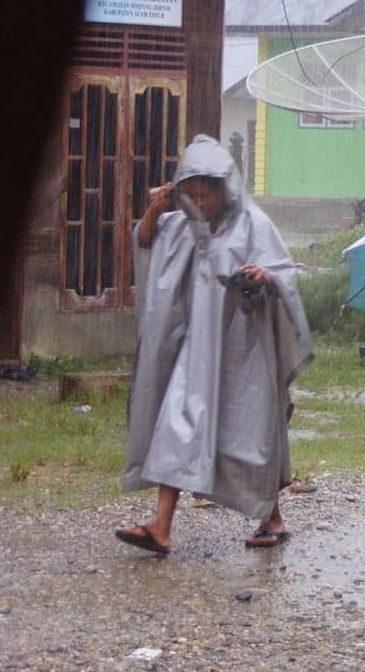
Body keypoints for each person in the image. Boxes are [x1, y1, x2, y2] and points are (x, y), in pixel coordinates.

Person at [115, 134, 314, 554]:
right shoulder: (183, 227)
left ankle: (272, 518)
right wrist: (155, 207)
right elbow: (146, 242)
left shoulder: (254, 225)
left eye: (207, 192)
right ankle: (161, 527)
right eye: (192, 192)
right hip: (194, 352)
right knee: (175, 425)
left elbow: (285, 276)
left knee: (246, 435)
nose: (201, 200)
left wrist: (266, 277)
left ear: (226, 188)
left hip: (243, 351)